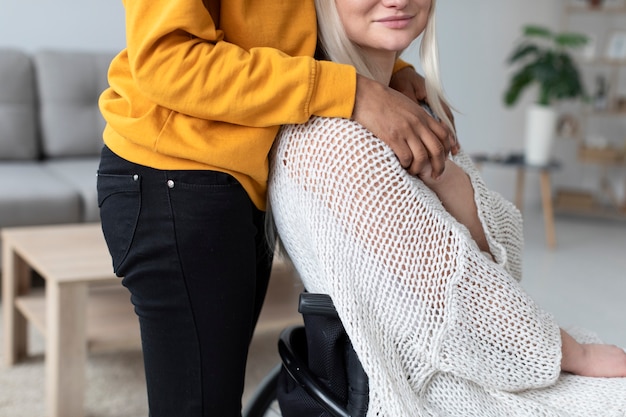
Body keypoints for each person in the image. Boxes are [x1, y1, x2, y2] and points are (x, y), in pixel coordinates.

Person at [95, 0, 457, 416]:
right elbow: (167, 60)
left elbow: (290, 23)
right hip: (174, 174)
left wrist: (390, 74)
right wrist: (354, 91)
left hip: (240, 179)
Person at [267, 0, 626, 415]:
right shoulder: (339, 143)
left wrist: (444, 175)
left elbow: (505, 258)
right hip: (429, 392)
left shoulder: (406, 112)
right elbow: (465, 303)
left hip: (467, 368)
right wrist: (575, 354)